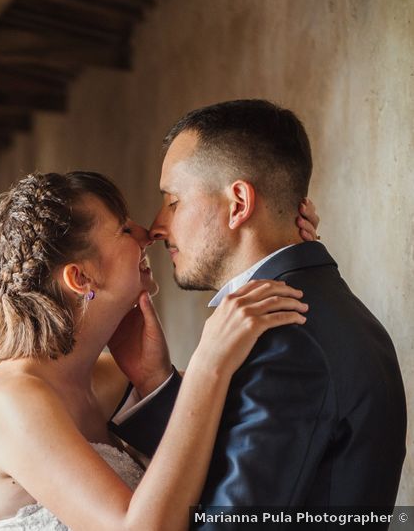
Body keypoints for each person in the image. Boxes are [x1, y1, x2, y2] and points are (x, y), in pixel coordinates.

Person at [0, 171, 318, 530]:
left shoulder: (110, 376)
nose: (146, 234)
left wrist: (155, 380)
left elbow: (228, 452)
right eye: (125, 230)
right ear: (80, 279)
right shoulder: (13, 400)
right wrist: (208, 363)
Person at [112, 100, 406, 526]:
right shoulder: (308, 308)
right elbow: (226, 468)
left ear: (238, 204)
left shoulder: (287, 338)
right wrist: (155, 383)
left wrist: (204, 369)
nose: (156, 226)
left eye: (173, 202)